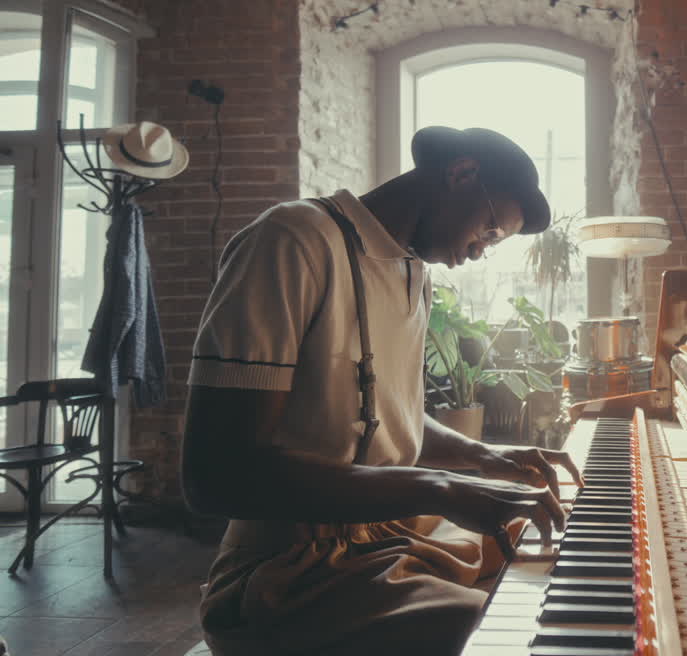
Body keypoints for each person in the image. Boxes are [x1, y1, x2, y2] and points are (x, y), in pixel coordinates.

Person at [181, 126, 581, 656]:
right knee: (526, 636)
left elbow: (394, 414)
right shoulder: (292, 239)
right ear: (460, 174)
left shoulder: (414, 270)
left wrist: (488, 459)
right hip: (293, 573)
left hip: (392, 536)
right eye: (489, 229)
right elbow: (214, 477)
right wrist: (442, 487)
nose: (482, 251)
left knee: (571, 557)